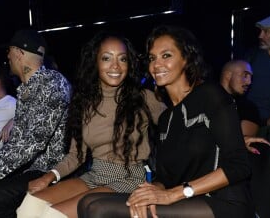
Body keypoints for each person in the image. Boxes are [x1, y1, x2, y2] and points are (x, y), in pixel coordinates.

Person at [77, 25, 255, 218]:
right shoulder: (165, 119)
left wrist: (173, 194)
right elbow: (164, 178)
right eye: (152, 58)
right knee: (87, 203)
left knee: (98, 209)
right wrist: (149, 192)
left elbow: (239, 166)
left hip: (222, 202)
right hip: (185, 200)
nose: (156, 65)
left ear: (186, 58)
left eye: (166, 55)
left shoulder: (209, 95)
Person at [16, 31, 166, 218]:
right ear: (95, 62)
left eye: (123, 59)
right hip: (95, 174)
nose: (115, 66)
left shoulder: (143, 98)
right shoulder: (84, 103)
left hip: (129, 178)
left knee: (52, 216)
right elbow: (75, 155)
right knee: (28, 208)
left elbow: (175, 129)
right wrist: (48, 177)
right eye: (106, 58)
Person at [0, 29, 72, 218]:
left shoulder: (53, 84)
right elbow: (17, 143)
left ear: (19, 53)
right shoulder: (26, 90)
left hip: (47, 169)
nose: (7, 56)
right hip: (26, 167)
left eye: (9, 51)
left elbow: (33, 142)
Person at [220, 59, 270, 218]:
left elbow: (246, 137)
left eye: (251, 77)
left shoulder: (247, 106)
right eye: (245, 75)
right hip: (199, 154)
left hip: (232, 156)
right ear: (228, 75)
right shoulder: (204, 97)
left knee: (260, 152)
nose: (249, 81)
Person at [244, 14, 270, 164]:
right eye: (260, 31)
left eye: (266, 31)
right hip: (248, 120)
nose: (261, 35)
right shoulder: (252, 55)